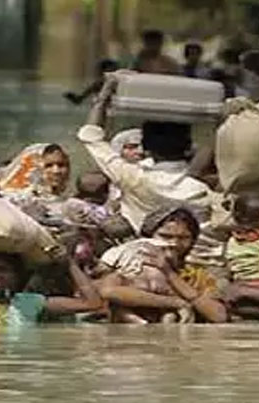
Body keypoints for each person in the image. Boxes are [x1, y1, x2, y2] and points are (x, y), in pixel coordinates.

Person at [78, 74, 223, 270]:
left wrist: (105, 94)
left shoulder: (132, 177)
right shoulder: (201, 190)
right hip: (204, 265)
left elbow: (91, 136)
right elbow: (209, 148)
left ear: (144, 148)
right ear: (189, 147)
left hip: (149, 264)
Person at [98, 206, 228, 323]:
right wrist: (174, 303)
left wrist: (169, 273)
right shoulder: (129, 267)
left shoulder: (197, 276)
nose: (174, 243)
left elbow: (218, 316)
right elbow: (108, 291)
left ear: (193, 240)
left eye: (183, 238)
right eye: (165, 236)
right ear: (148, 237)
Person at [0, 252, 104, 327]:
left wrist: (70, 264)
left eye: (1, 270)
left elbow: (92, 303)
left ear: (17, 277)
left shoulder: (27, 303)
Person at [0, 144, 71, 198]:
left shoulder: (66, 197)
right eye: (48, 166)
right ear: (38, 168)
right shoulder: (17, 197)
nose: (56, 171)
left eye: (61, 165)